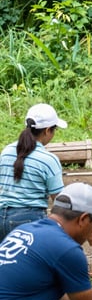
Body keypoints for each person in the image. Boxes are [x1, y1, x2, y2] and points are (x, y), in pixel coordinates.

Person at [0, 103, 68, 240]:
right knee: (33, 260)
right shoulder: (48, 160)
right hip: (28, 220)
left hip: (1, 217)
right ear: (47, 130)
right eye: (54, 130)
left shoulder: (6, 151)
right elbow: (60, 201)